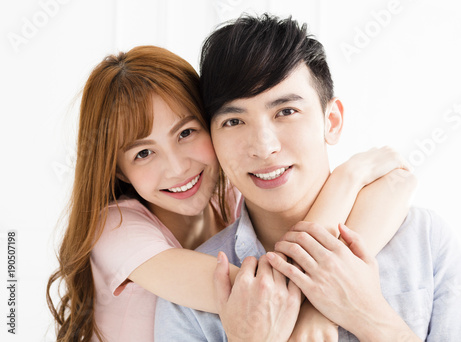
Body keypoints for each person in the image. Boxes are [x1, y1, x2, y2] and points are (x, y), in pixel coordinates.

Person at [154, 14, 461, 341]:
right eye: (234, 121)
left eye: (286, 112)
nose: (263, 146)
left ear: (331, 122)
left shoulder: (423, 240)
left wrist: (370, 317)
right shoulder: (191, 289)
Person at [46, 45, 414, 342]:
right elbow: (264, 291)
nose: (177, 168)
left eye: (186, 133)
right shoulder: (116, 228)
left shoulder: (233, 198)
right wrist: (348, 178)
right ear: (117, 169)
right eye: (143, 153)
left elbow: (397, 186)